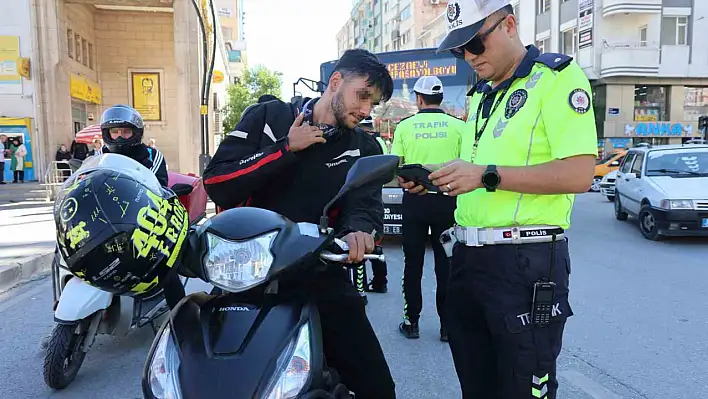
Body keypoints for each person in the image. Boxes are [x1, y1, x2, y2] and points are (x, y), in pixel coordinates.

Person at [412, 1, 597, 397]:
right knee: (476, 388)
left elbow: (581, 174)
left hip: (524, 264)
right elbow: (480, 178)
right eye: (459, 49)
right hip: (467, 259)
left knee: (522, 389)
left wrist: (485, 176)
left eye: (475, 44)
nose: (468, 57)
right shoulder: (480, 95)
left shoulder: (556, 78)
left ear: (509, 25)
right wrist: (436, 181)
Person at [202, 48, 396, 399]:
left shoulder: (364, 146)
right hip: (247, 275)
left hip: (321, 274)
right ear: (336, 82)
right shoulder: (269, 116)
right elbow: (217, 183)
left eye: (374, 103)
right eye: (362, 96)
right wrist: (285, 149)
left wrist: (360, 233)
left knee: (379, 388)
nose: (366, 109)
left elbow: (365, 208)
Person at [390, 75, 465, 341]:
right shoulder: (459, 127)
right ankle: (447, 328)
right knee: (447, 264)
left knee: (413, 264)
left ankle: (412, 323)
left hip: (414, 201)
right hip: (448, 201)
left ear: (418, 99)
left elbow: (396, 167)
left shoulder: (405, 126)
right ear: (440, 98)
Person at [357, 115, 388, 294]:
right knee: (375, 243)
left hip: (367, 195)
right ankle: (380, 281)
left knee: (362, 243)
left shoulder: (365, 143)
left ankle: (361, 290)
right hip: (377, 194)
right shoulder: (380, 142)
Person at [100, 104, 168, 187]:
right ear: (107, 134)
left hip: (141, 199)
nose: (120, 136)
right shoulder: (100, 156)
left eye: (127, 131)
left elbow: (160, 190)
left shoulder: (152, 156)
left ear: (136, 133)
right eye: (114, 131)